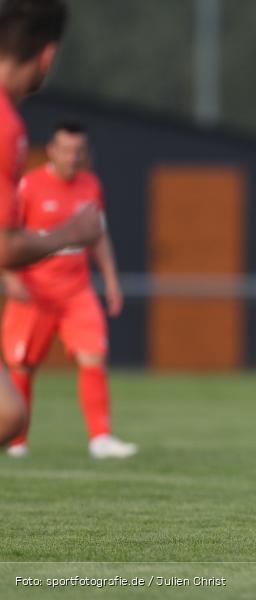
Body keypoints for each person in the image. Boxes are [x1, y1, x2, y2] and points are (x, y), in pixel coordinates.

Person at [0, 0, 103, 447]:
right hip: (38, 294)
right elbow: (4, 247)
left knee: (8, 414)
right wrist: (71, 233)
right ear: (47, 56)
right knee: (8, 414)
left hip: (68, 293)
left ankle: (102, 436)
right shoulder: (7, 126)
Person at [2, 122, 136, 458]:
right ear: (51, 150)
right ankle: (18, 442)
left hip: (77, 291)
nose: (73, 157)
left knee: (94, 356)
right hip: (33, 292)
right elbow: (6, 235)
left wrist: (111, 279)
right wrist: (9, 276)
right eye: (66, 149)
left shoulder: (91, 185)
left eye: (80, 150)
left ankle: (100, 438)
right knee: (21, 365)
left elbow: (98, 235)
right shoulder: (28, 186)